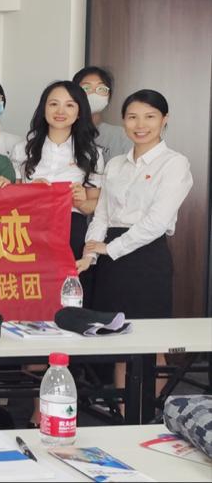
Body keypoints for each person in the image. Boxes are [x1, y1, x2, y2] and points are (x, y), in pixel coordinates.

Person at [81, 90, 192, 399]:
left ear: (164, 119)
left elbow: (156, 222)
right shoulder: (116, 164)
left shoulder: (174, 163)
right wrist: (92, 250)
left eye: (150, 117)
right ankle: (125, 413)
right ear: (123, 121)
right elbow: (102, 213)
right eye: (132, 117)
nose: (140, 125)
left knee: (150, 342)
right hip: (110, 260)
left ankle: (149, 413)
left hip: (146, 258)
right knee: (120, 340)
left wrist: (110, 248)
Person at [11, 81, 104, 295]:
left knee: (64, 292)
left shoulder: (92, 153)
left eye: (69, 105)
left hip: (70, 229)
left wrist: (81, 200)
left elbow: (95, 206)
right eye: (54, 104)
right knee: (29, 290)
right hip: (27, 228)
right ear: (44, 108)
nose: (60, 111)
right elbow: (11, 199)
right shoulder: (23, 149)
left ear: (79, 112)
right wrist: (29, 192)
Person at [73, 66, 132, 162]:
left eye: (101, 89)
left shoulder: (121, 136)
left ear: (109, 96)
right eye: (86, 88)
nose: (94, 93)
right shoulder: (64, 132)